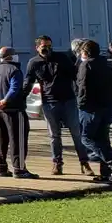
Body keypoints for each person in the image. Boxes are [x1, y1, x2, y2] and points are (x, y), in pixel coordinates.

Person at [26, 35, 91, 176]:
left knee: (76, 133)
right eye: (44, 47)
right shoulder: (34, 63)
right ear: (37, 48)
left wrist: (82, 92)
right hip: (49, 102)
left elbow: (75, 76)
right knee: (54, 136)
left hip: (68, 100)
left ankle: (84, 163)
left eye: (50, 46)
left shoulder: (61, 58)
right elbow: (28, 82)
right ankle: (57, 163)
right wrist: (20, 98)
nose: (47, 49)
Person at [77, 39, 112, 184]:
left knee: (86, 138)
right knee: (103, 139)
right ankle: (105, 173)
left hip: (90, 108)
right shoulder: (107, 64)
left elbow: (83, 87)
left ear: (85, 52)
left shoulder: (86, 65)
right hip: (106, 107)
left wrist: (81, 104)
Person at [0, 46, 37, 178]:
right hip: (15, 110)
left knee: (1, 139)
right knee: (18, 139)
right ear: (11, 56)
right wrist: (5, 100)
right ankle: (19, 169)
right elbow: (15, 88)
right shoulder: (15, 70)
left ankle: (1, 167)